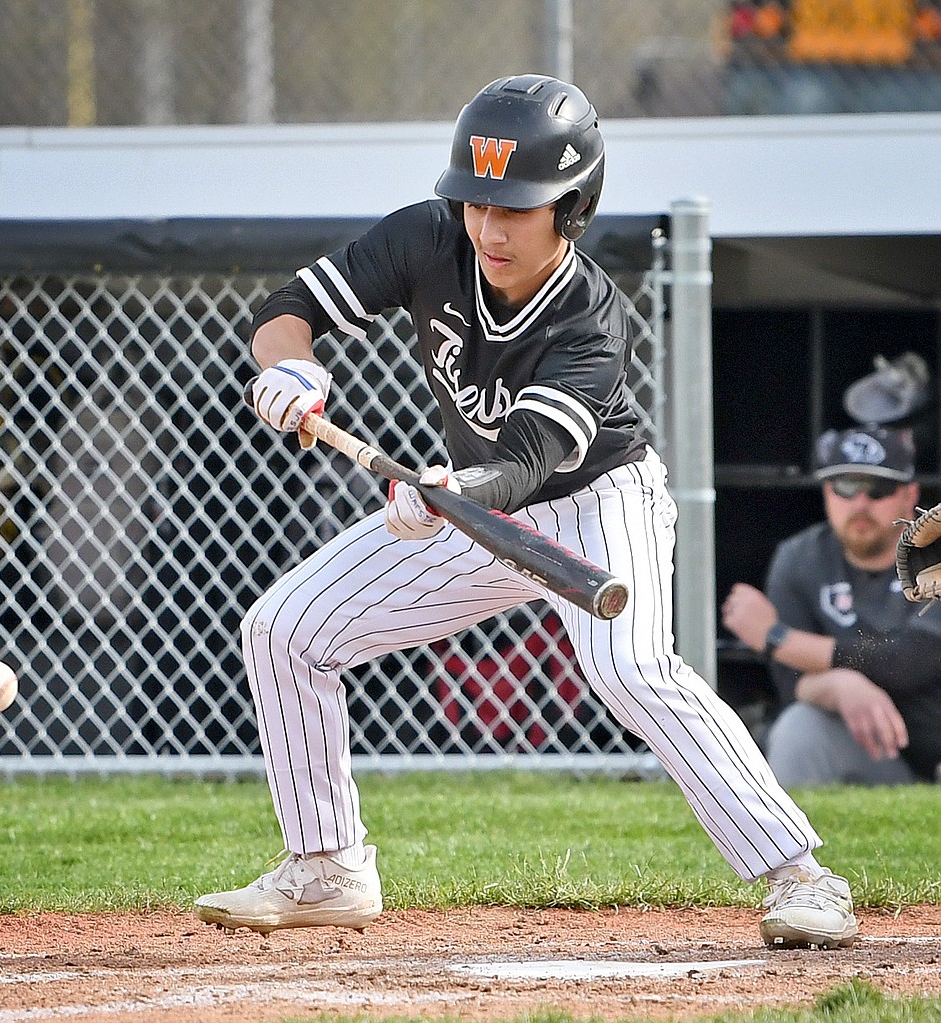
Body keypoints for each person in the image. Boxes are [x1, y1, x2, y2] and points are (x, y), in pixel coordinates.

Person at [195, 74, 857, 949]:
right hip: (465, 509)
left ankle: (802, 879)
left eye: (517, 209)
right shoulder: (429, 236)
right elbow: (290, 311)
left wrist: (448, 495)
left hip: (593, 507)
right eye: (475, 201)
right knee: (285, 627)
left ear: (573, 209)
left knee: (631, 668)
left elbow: (528, 462)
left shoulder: (593, 320)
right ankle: (326, 868)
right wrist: (292, 370)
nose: (487, 228)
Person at [722, 425, 941, 786]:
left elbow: (913, 659)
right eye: (845, 487)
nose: (859, 504)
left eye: (878, 489)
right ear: (826, 493)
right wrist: (841, 684)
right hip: (881, 753)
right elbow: (791, 685)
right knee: (800, 728)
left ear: (909, 494)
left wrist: (778, 638)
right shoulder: (799, 559)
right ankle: (785, 841)